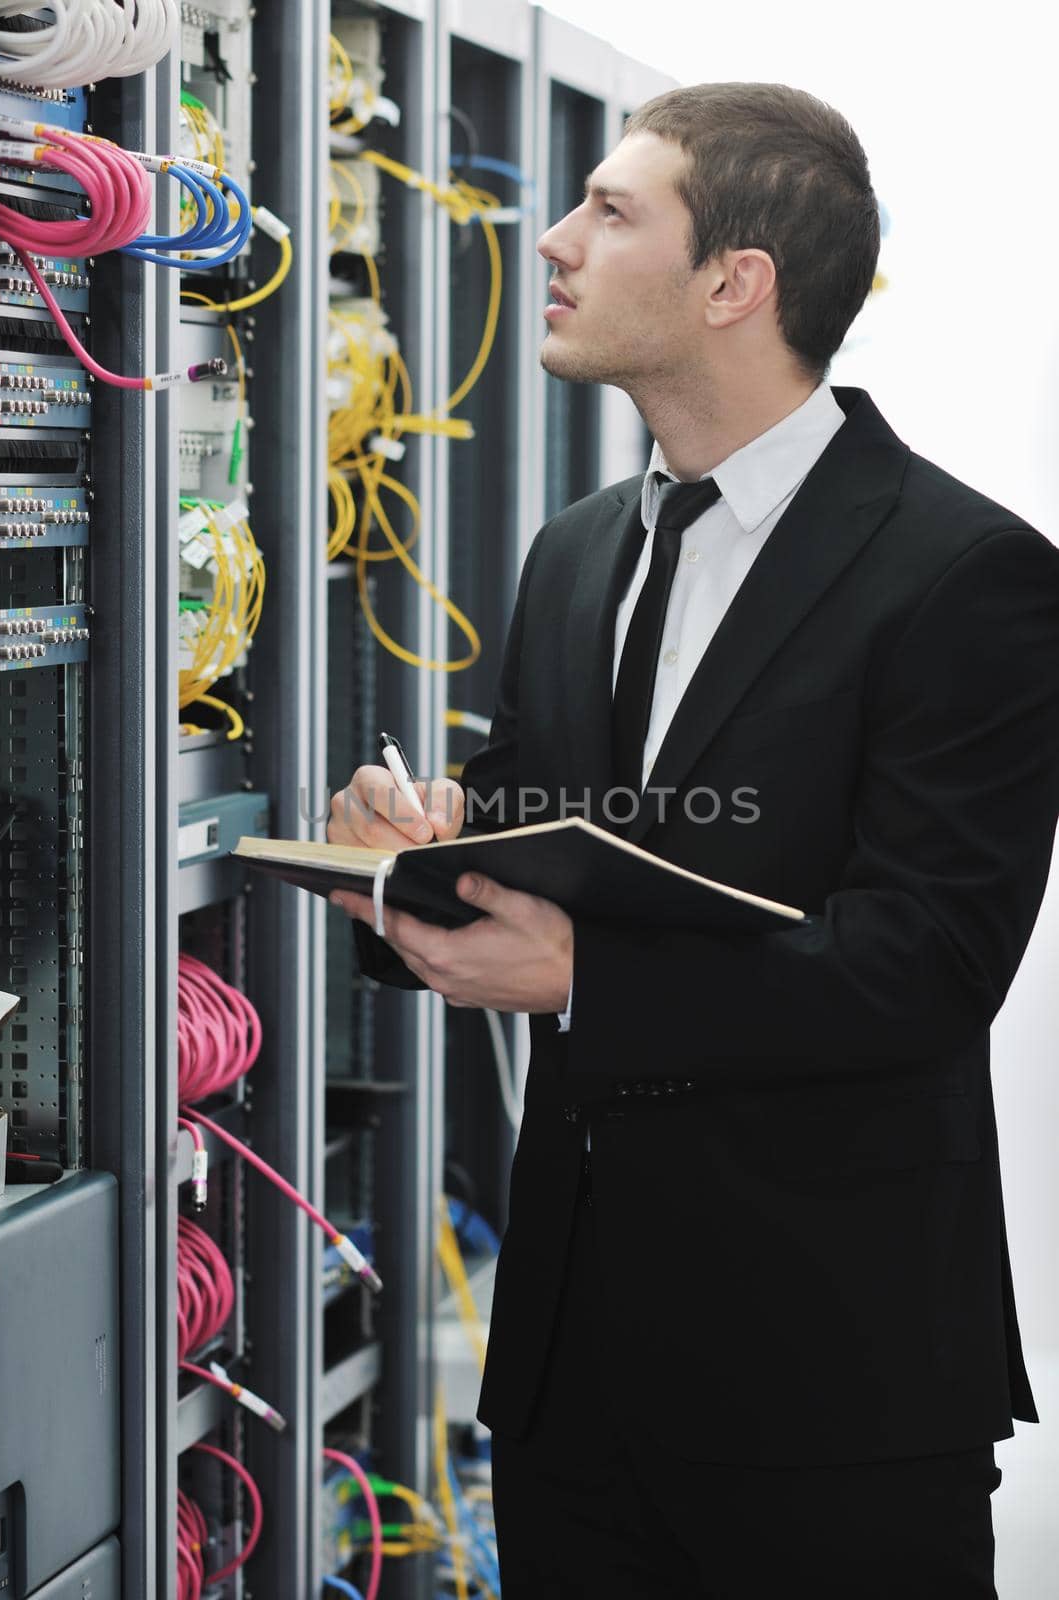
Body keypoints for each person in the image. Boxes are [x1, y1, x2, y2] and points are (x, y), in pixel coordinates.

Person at [329, 82, 1059, 1598]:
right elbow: (539, 838)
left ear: (737, 283)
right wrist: (412, 856)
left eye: (610, 210)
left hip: (830, 1395)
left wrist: (585, 975)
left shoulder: (966, 572)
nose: (552, 242)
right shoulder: (578, 550)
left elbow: (926, 964)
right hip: (570, 1390)